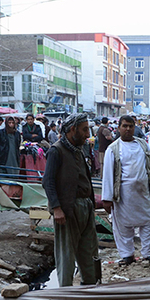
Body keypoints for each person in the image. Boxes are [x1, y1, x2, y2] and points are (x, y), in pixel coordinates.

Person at [41, 113, 98, 287]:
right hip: (67, 209)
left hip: (85, 207)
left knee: (89, 250)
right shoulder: (56, 150)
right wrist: (57, 208)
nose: (87, 134)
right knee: (66, 255)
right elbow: (47, 182)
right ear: (72, 129)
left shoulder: (79, 149)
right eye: (84, 130)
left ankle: (90, 287)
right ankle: (65, 294)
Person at [102, 115, 150, 268]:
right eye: (124, 126)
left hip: (144, 193)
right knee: (123, 227)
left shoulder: (143, 145)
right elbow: (108, 175)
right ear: (119, 128)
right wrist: (107, 199)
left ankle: (148, 254)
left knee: (149, 223)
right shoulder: (113, 149)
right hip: (123, 196)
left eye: (130, 126)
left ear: (134, 127)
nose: (128, 129)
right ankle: (127, 255)